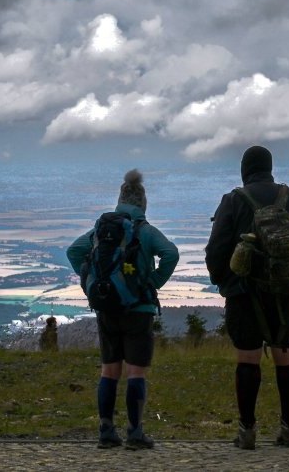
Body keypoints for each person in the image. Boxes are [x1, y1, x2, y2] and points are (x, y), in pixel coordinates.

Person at [205, 145, 289, 450]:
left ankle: (247, 431)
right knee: (285, 356)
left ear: (244, 170)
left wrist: (224, 282)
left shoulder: (233, 200)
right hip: (284, 293)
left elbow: (215, 250)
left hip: (244, 294)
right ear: (270, 167)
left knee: (248, 358)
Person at [67, 169, 179, 450]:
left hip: (107, 308)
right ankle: (135, 432)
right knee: (136, 373)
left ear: (119, 200)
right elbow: (171, 253)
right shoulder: (146, 231)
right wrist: (152, 282)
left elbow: (73, 251)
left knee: (109, 370)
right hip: (138, 310)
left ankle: (106, 431)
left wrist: (89, 282)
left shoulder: (101, 230)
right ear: (143, 203)